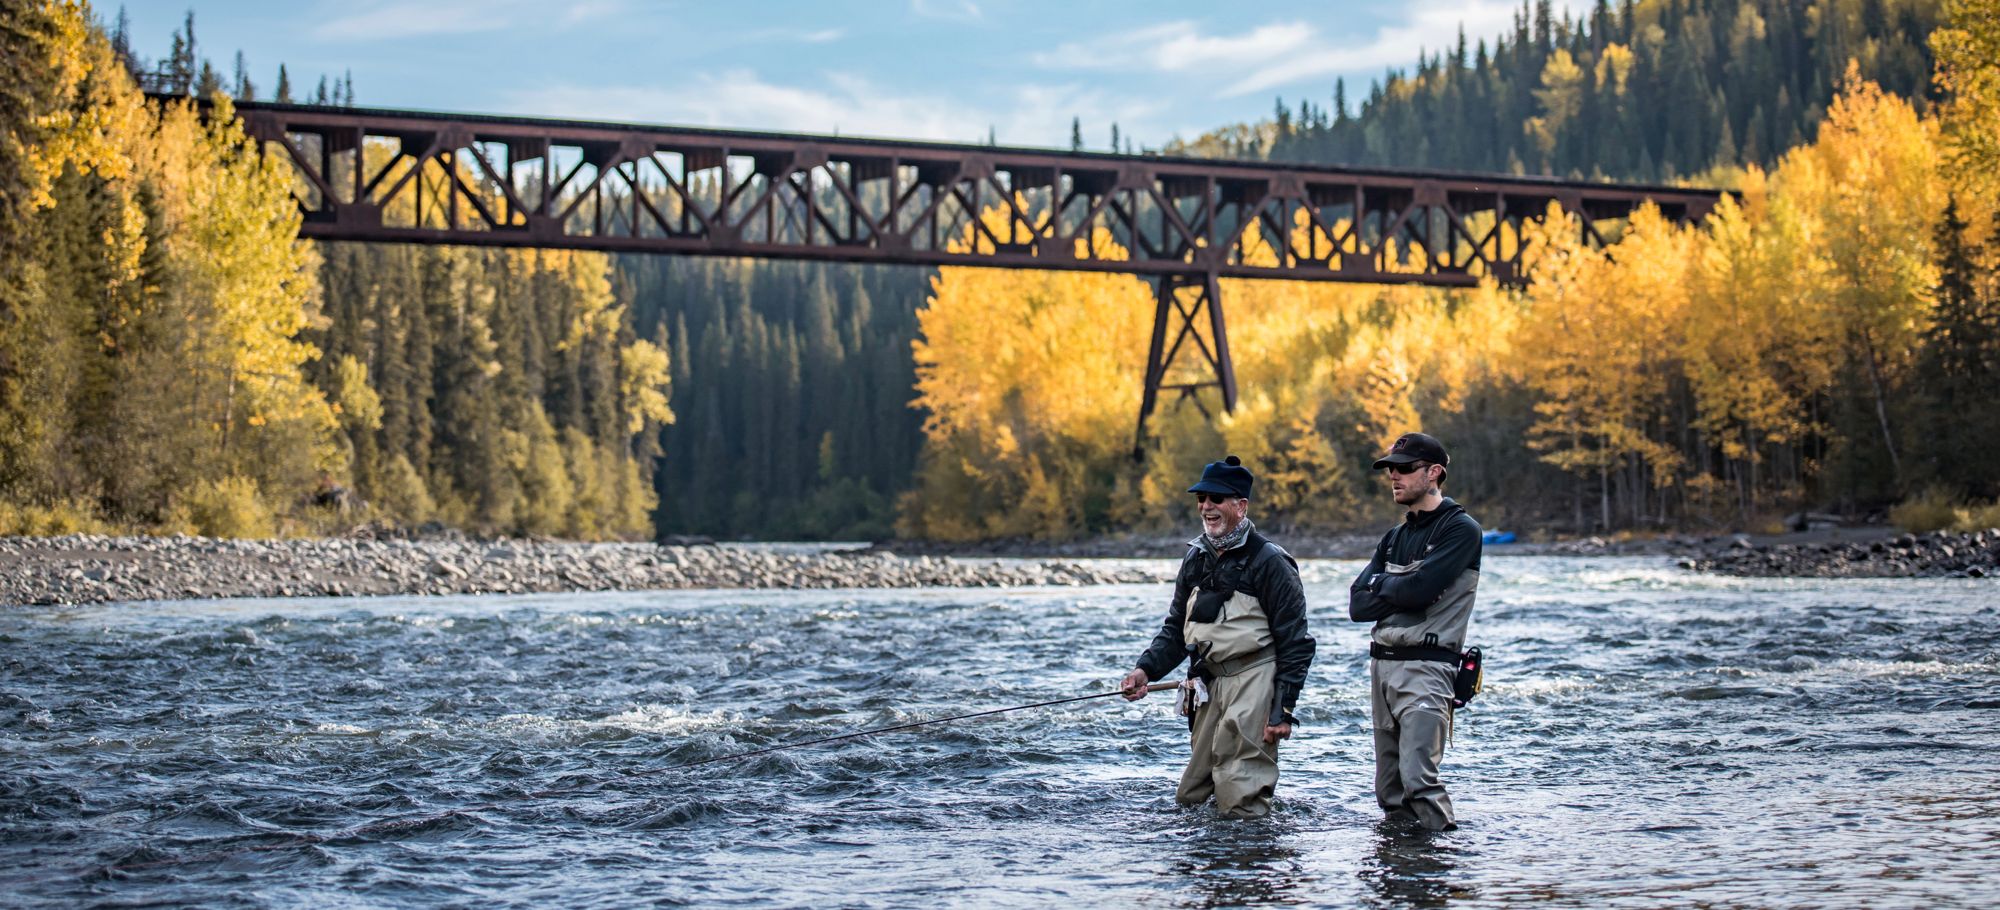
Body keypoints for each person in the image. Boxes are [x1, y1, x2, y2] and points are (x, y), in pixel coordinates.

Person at [1120, 456, 1316, 818]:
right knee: (1192, 795)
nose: (1206, 506)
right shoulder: (1195, 557)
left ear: (1241, 506)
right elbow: (1176, 630)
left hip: (1255, 680)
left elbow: (1296, 643)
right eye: (1201, 499)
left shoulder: (1271, 562)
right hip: (1207, 683)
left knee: (1241, 797)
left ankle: (1249, 851)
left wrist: (1282, 710)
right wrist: (1144, 671)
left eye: (1216, 499)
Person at [1348, 432, 1481, 831]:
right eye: (1391, 469)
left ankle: (1442, 857)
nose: (1394, 476)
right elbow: (1357, 606)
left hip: (1428, 668)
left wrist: (1385, 586)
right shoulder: (1394, 537)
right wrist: (1401, 590)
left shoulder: (1461, 530)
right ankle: (1402, 860)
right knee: (1388, 789)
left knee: (1418, 780)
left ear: (1434, 473)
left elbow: (1419, 592)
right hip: (1382, 669)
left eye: (1405, 469)